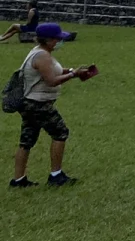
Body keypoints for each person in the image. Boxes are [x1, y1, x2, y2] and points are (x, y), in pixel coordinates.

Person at [10, 22, 95, 188]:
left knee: (27, 140)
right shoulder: (42, 56)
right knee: (60, 132)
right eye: (57, 39)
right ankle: (56, 175)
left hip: (30, 103)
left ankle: (18, 180)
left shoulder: (40, 52)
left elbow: (52, 70)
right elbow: (51, 81)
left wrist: (73, 71)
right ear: (48, 40)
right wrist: (72, 75)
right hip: (38, 104)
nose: (59, 42)